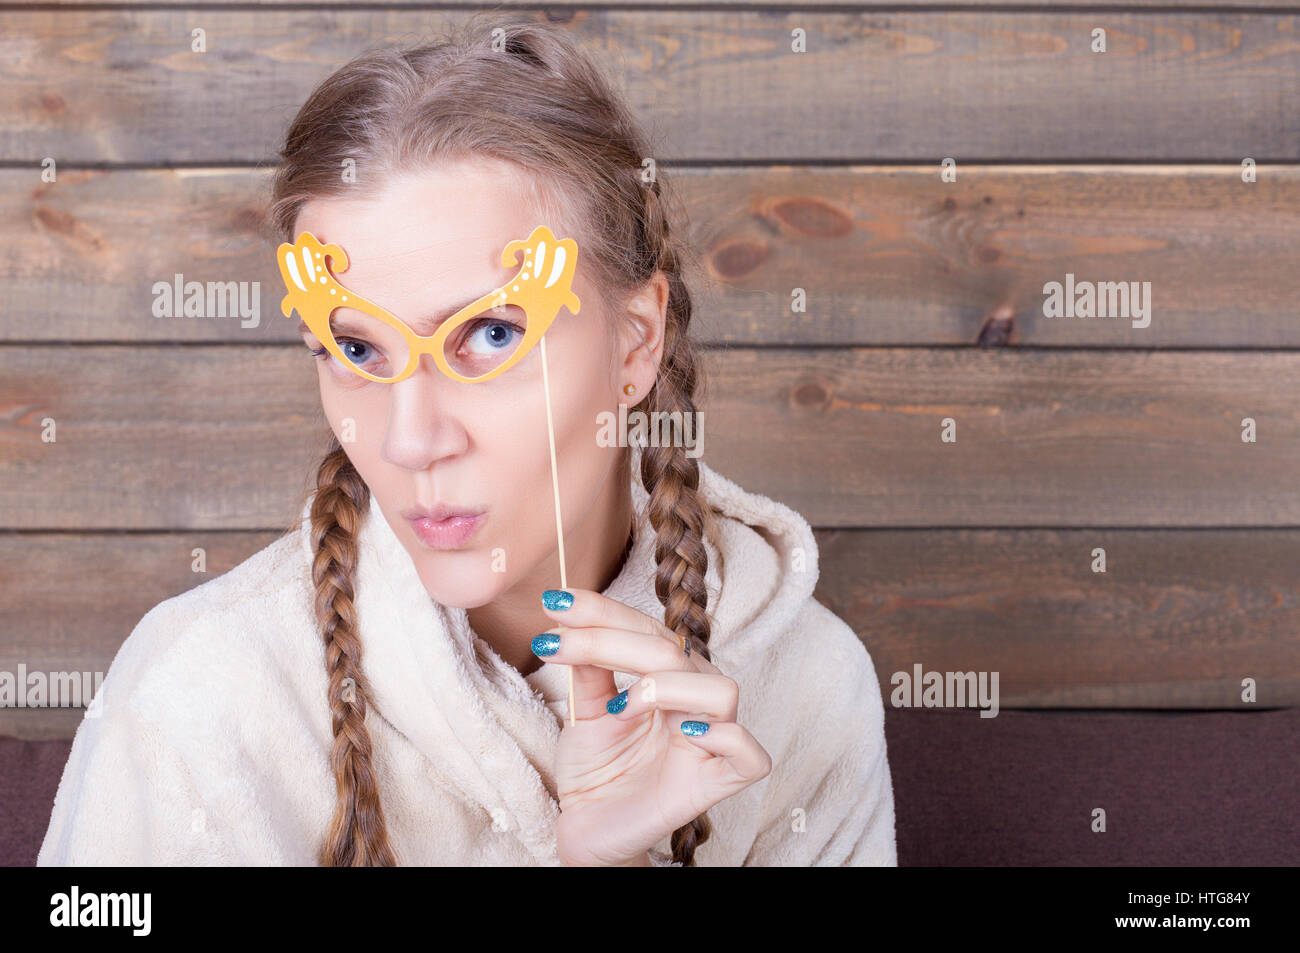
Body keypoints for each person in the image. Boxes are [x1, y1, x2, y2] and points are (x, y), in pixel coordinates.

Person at [37, 15, 896, 867]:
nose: (411, 441)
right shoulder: (198, 695)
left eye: (489, 336)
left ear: (634, 344)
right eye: (358, 349)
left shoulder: (808, 689)